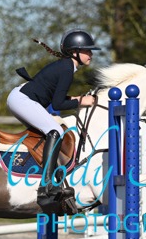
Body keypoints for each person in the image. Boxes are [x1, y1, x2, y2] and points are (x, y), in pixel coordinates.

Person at [7, 29, 99, 210]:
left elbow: (58, 99)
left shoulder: (66, 66)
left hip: (21, 97)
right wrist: (81, 101)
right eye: (87, 50)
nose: (91, 54)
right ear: (75, 52)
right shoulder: (67, 69)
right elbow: (58, 104)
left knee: (50, 130)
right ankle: (47, 184)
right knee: (55, 130)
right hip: (22, 100)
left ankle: (40, 173)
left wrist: (78, 99)